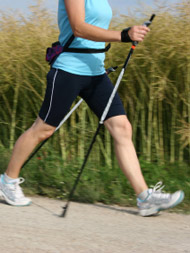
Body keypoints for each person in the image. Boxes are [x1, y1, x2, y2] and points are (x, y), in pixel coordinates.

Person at [0, 0, 184, 216]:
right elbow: (79, 28)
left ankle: (144, 197)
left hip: (95, 72)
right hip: (68, 70)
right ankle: (8, 181)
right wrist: (124, 35)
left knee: (122, 127)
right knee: (44, 129)